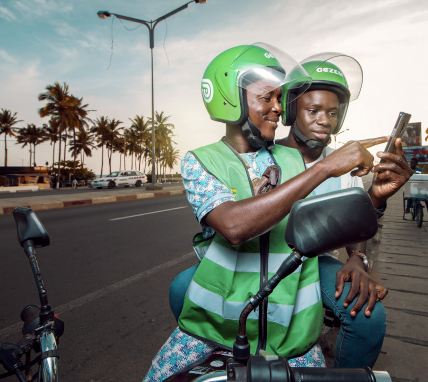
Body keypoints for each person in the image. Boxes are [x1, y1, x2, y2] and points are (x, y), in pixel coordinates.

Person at [144, 44, 381, 381]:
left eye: (280, 99)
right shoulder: (200, 161)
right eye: (267, 98)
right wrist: (325, 166)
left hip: (292, 338)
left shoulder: (293, 159)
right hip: (211, 328)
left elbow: (334, 220)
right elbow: (234, 226)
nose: (278, 109)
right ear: (231, 98)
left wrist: (375, 198)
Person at [275, 52, 413, 368]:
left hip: (310, 262)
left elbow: (354, 225)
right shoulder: (260, 156)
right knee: (182, 288)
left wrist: (357, 258)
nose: (325, 120)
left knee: (367, 317)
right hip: (257, 258)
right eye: (313, 110)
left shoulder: (350, 163)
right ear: (291, 108)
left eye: (333, 112)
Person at [408, 157, 428, 225]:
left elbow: (423, 179)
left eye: (414, 163)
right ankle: (408, 208)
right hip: (412, 189)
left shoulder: (420, 170)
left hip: (421, 188)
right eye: (411, 162)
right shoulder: (407, 170)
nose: (412, 164)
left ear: (416, 164)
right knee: (408, 195)